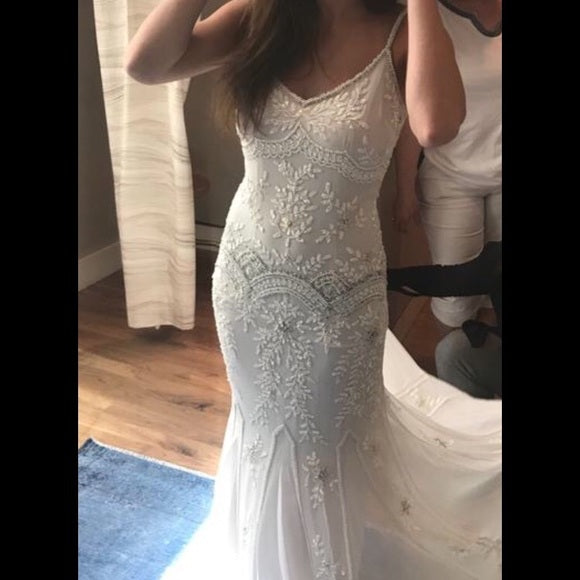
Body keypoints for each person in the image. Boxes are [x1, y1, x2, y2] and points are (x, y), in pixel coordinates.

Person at [125, 1, 501, 578]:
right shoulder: (260, 16)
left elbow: (435, 125)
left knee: (326, 449)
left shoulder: (402, 31)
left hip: (339, 302)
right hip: (247, 285)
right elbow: (145, 64)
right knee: (262, 431)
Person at [393, 0, 502, 328]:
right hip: (449, 180)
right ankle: (456, 358)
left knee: (497, 289)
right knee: (455, 304)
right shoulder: (426, 17)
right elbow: (414, 118)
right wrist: (404, 189)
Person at [387, 240, 501, 399]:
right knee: (452, 353)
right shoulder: (497, 259)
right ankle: (469, 413)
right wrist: (382, 278)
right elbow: (447, 280)